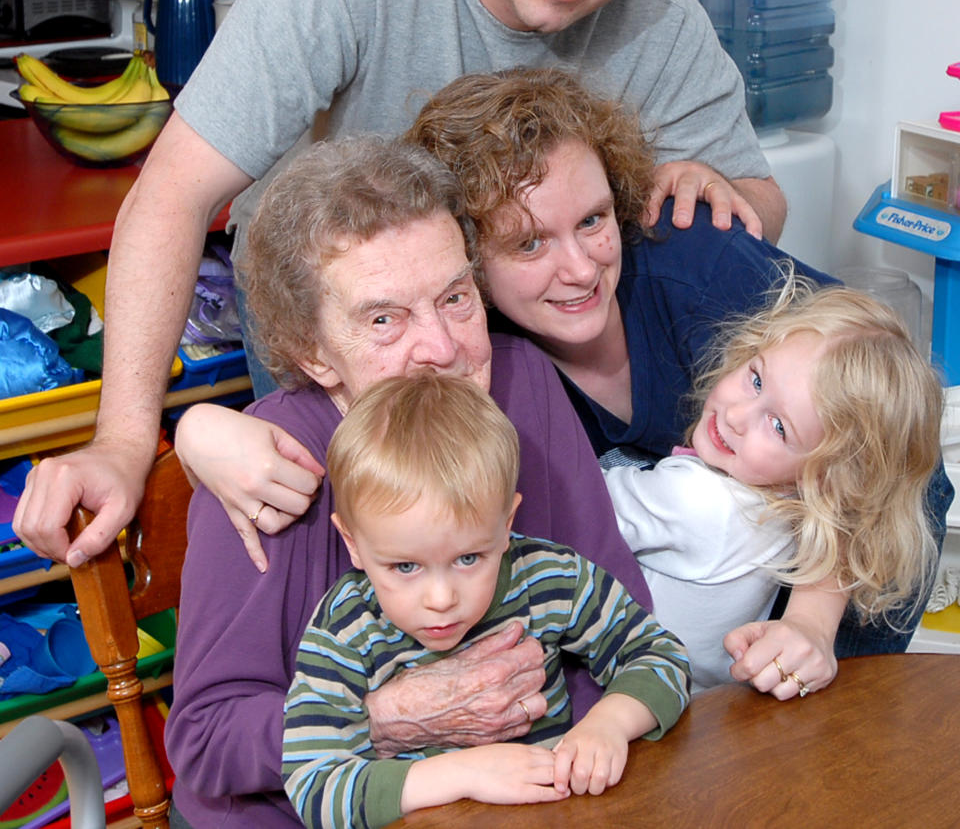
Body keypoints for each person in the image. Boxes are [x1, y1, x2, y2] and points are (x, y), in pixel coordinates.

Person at [14, 0, 786, 570]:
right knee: (345, 582)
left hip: (499, 344)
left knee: (513, 583)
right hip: (341, 334)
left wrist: (715, 187)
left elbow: (761, 206)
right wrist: (128, 442)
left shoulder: (652, 1)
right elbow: (172, 194)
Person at [183, 67, 951, 692]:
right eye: (528, 244)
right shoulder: (480, 360)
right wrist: (197, 426)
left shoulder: (698, 268)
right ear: (469, 261)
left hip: (806, 614)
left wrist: (814, 629)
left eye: (593, 220)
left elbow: (888, 445)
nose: (580, 268)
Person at [164, 137, 663, 828]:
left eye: (455, 298)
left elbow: (614, 619)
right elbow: (207, 741)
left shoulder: (523, 386)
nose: (441, 347)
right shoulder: (271, 466)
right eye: (383, 319)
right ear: (313, 350)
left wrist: (579, 759)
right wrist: (394, 717)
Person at [283, 373, 689, 828]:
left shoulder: (548, 577)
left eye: (468, 557)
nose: (440, 599)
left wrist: (610, 723)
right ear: (353, 543)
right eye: (405, 567)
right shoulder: (344, 627)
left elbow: (661, 654)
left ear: (506, 522)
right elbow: (313, 786)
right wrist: (461, 774)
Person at [604, 272, 943, 692]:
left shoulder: (696, 498)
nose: (736, 416)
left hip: (616, 700)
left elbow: (569, 501)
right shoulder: (791, 504)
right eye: (757, 379)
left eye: (779, 427)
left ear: (825, 476)